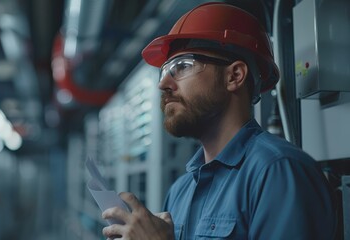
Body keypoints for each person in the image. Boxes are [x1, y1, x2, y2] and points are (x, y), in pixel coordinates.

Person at [102, 2, 337, 239]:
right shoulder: (180, 190)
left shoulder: (279, 172)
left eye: (182, 66)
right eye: (164, 71)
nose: (163, 84)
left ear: (234, 76)